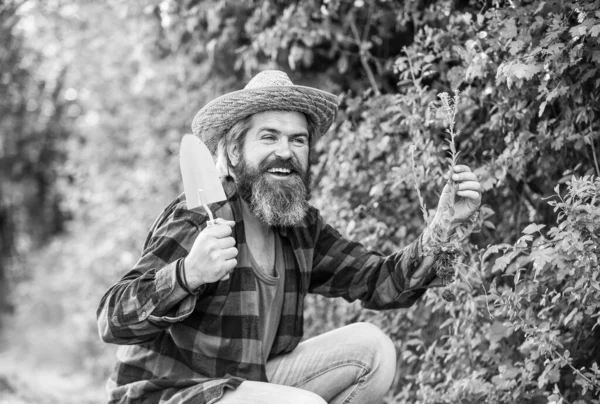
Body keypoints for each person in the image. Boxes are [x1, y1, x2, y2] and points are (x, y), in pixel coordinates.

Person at [97, 70, 482, 404]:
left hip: (247, 383)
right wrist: (188, 274)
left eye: (298, 140)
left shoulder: (300, 228)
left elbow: (381, 282)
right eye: (268, 137)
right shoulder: (201, 216)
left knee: (373, 349)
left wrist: (441, 226)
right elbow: (111, 318)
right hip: (171, 393)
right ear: (233, 151)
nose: (286, 151)